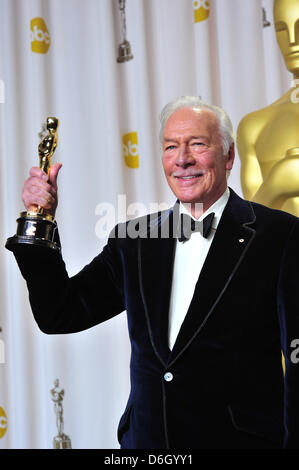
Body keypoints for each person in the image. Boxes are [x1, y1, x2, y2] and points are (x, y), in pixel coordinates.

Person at [12, 96, 299, 449]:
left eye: (197, 144)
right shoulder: (134, 242)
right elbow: (60, 313)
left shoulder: (281, 236)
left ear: (228, 156)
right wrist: (38, 223)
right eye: (170, 147)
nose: (182, 159)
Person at [237, 0, 299, 217]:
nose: (292, 40)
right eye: (282, 29)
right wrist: (277, 185)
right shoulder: (255, 126)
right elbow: (250, 227)